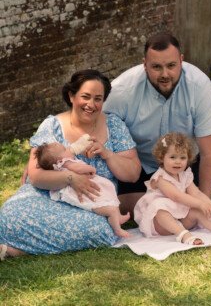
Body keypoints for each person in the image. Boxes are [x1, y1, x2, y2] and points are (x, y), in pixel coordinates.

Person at [0, 69, 141, 260]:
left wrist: (107, 154)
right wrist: (70, 178)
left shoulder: (114, 126)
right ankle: (23, 248)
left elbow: (133, 173)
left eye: (98, 99)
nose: (91, 104)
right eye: (85, 96)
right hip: (48, 195)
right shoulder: (51, 126)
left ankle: (20, 249)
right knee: (9, 215)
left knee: (100, 231)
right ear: (71, 96)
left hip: (93, 204)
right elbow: (35, 176)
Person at [104, 32, 211, 212]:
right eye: (156, 67)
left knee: (187, 207)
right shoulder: (122, 90)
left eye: (171, 65)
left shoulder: (199, 85)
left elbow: (210, 154)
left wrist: (205, 201)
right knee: (131, 206)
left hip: (183, 165)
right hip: (139, 167)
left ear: (181, 61)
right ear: (144, 65)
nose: (165, 74)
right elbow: (99, 129)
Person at [134, 132, 211, 245]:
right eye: (172, 157)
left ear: (188, 158)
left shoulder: (185, 175)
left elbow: (196, 193)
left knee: (197, 210)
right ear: (162, 157)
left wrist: (208, 203)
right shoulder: (160, 178)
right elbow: (176, 196)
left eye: (182, 157)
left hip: (180, 218)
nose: (178, 161)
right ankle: (184, 235)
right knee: (160, 208)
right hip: (160, 224)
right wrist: (200, 204)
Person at [35, 140, 131, 238]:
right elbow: (79, 169)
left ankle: (117, 217)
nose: (68, 148)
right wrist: (90, 169)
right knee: (109, 207)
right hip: (84, 189)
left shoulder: (64, 161)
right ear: (60, 159)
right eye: (65, 149)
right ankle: (117, 229)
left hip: (87, 184)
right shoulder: (66, 162)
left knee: (109, 199)